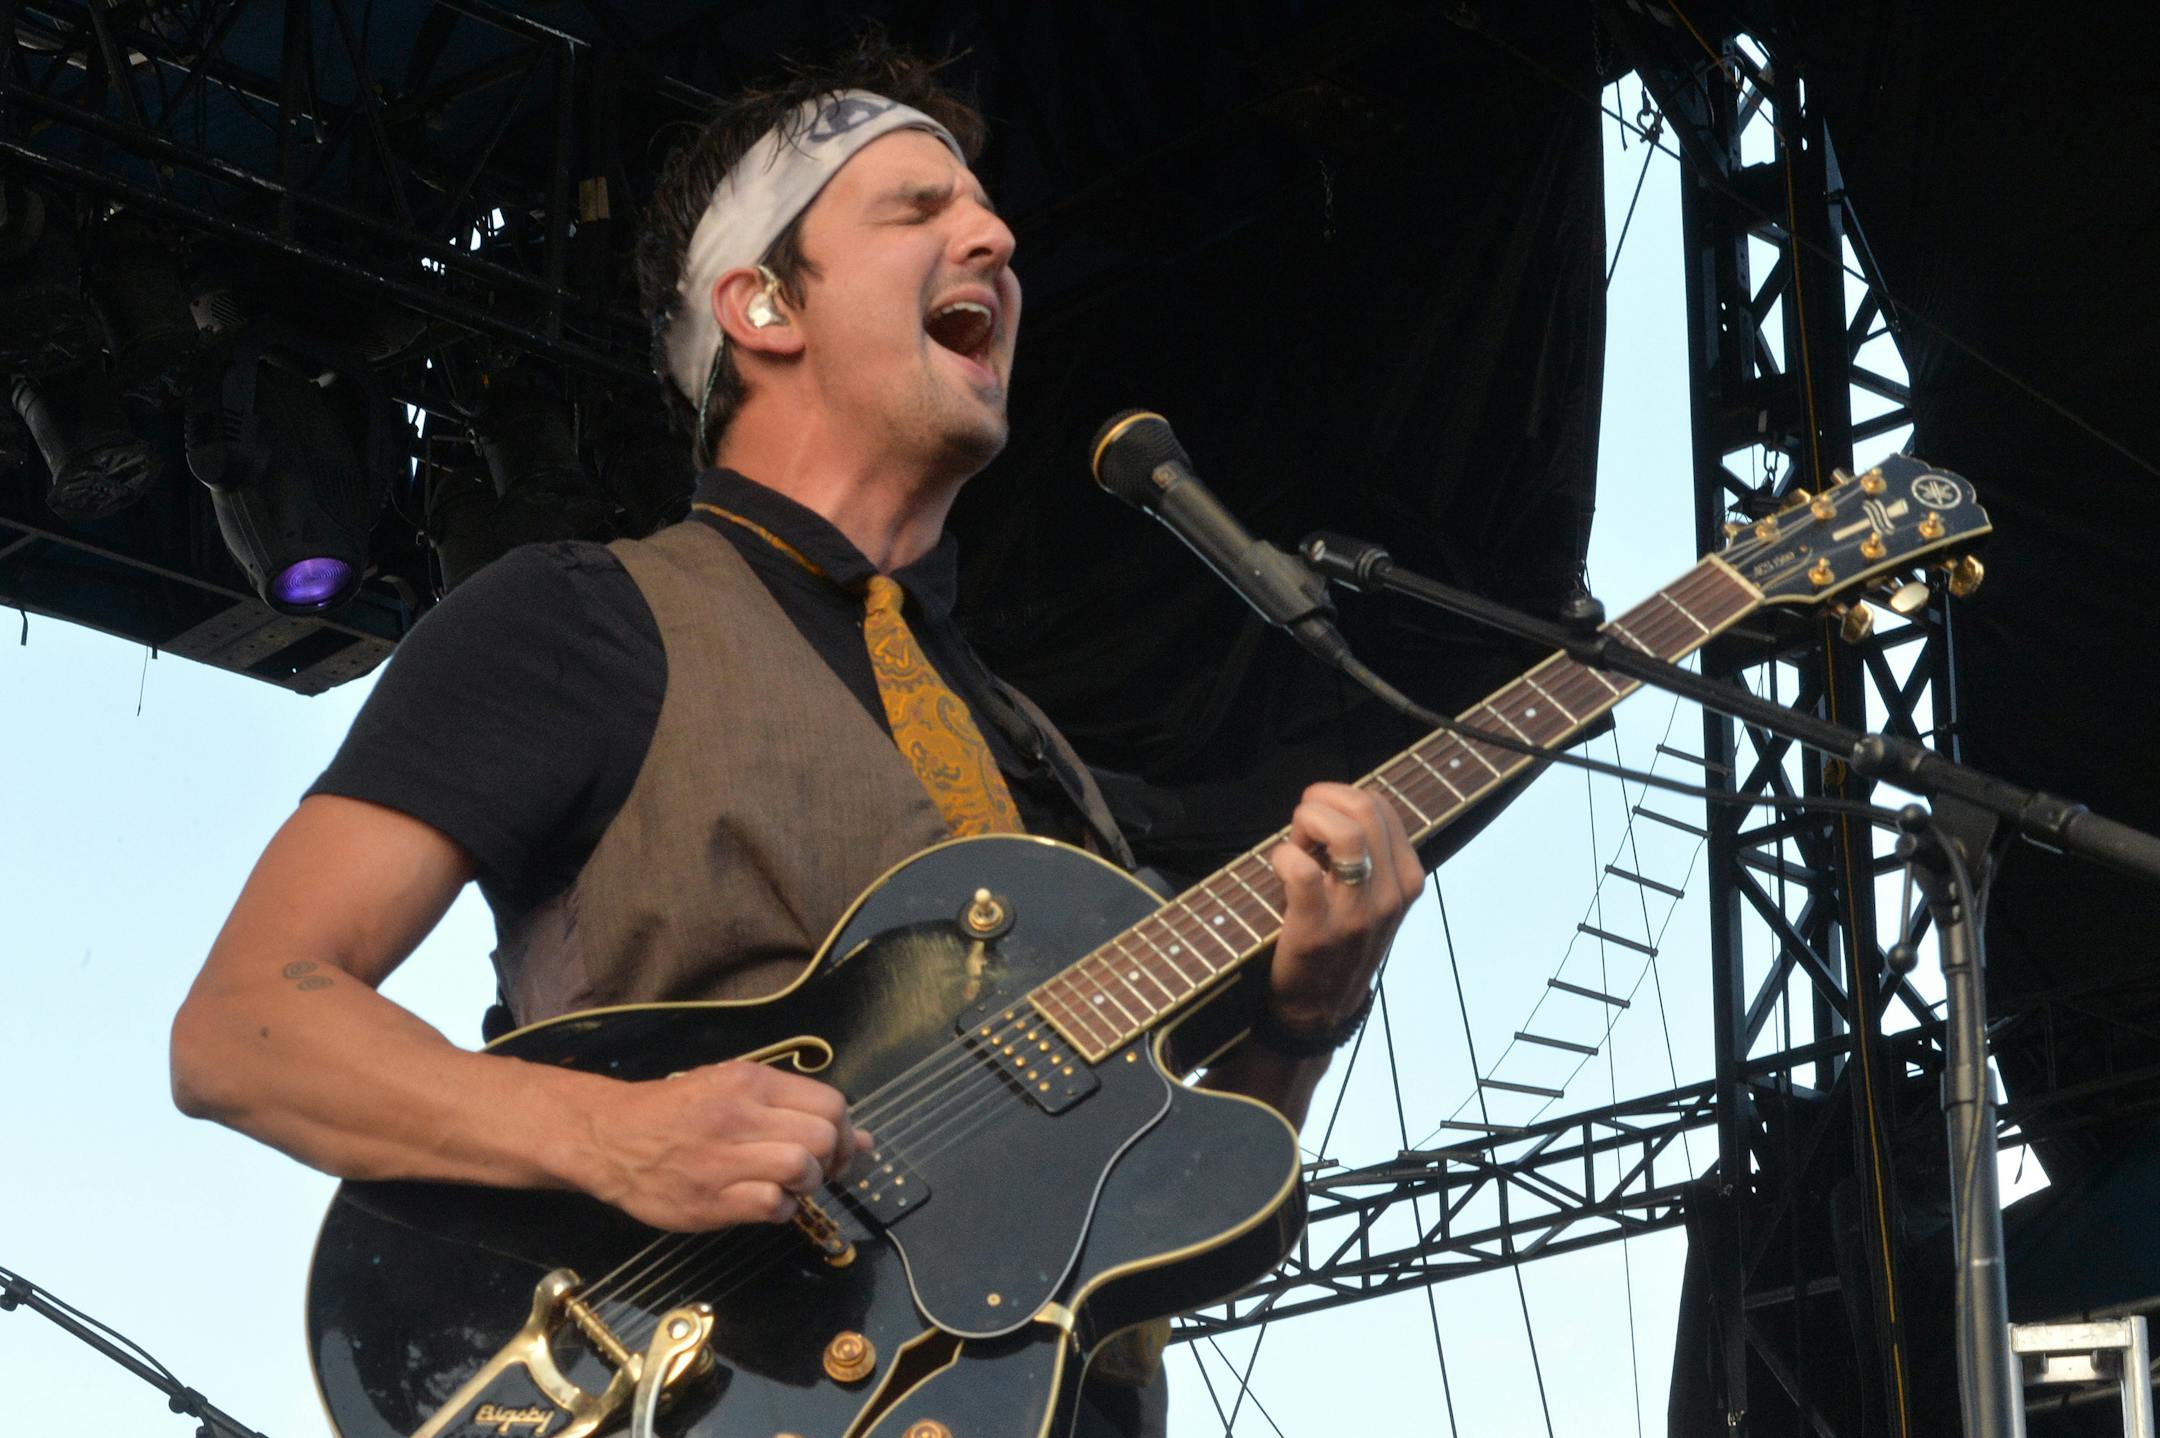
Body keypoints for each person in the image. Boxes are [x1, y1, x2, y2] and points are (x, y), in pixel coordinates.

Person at [169, 37, 1420, 1438]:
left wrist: (1302, 1021)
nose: (997, 241)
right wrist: (618, 1135)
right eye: (918, 209)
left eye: (988, 214)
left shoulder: (1027, 758)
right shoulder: (584, 619)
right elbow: (246, 1024)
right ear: (762, 304)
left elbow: (1143, 1239)